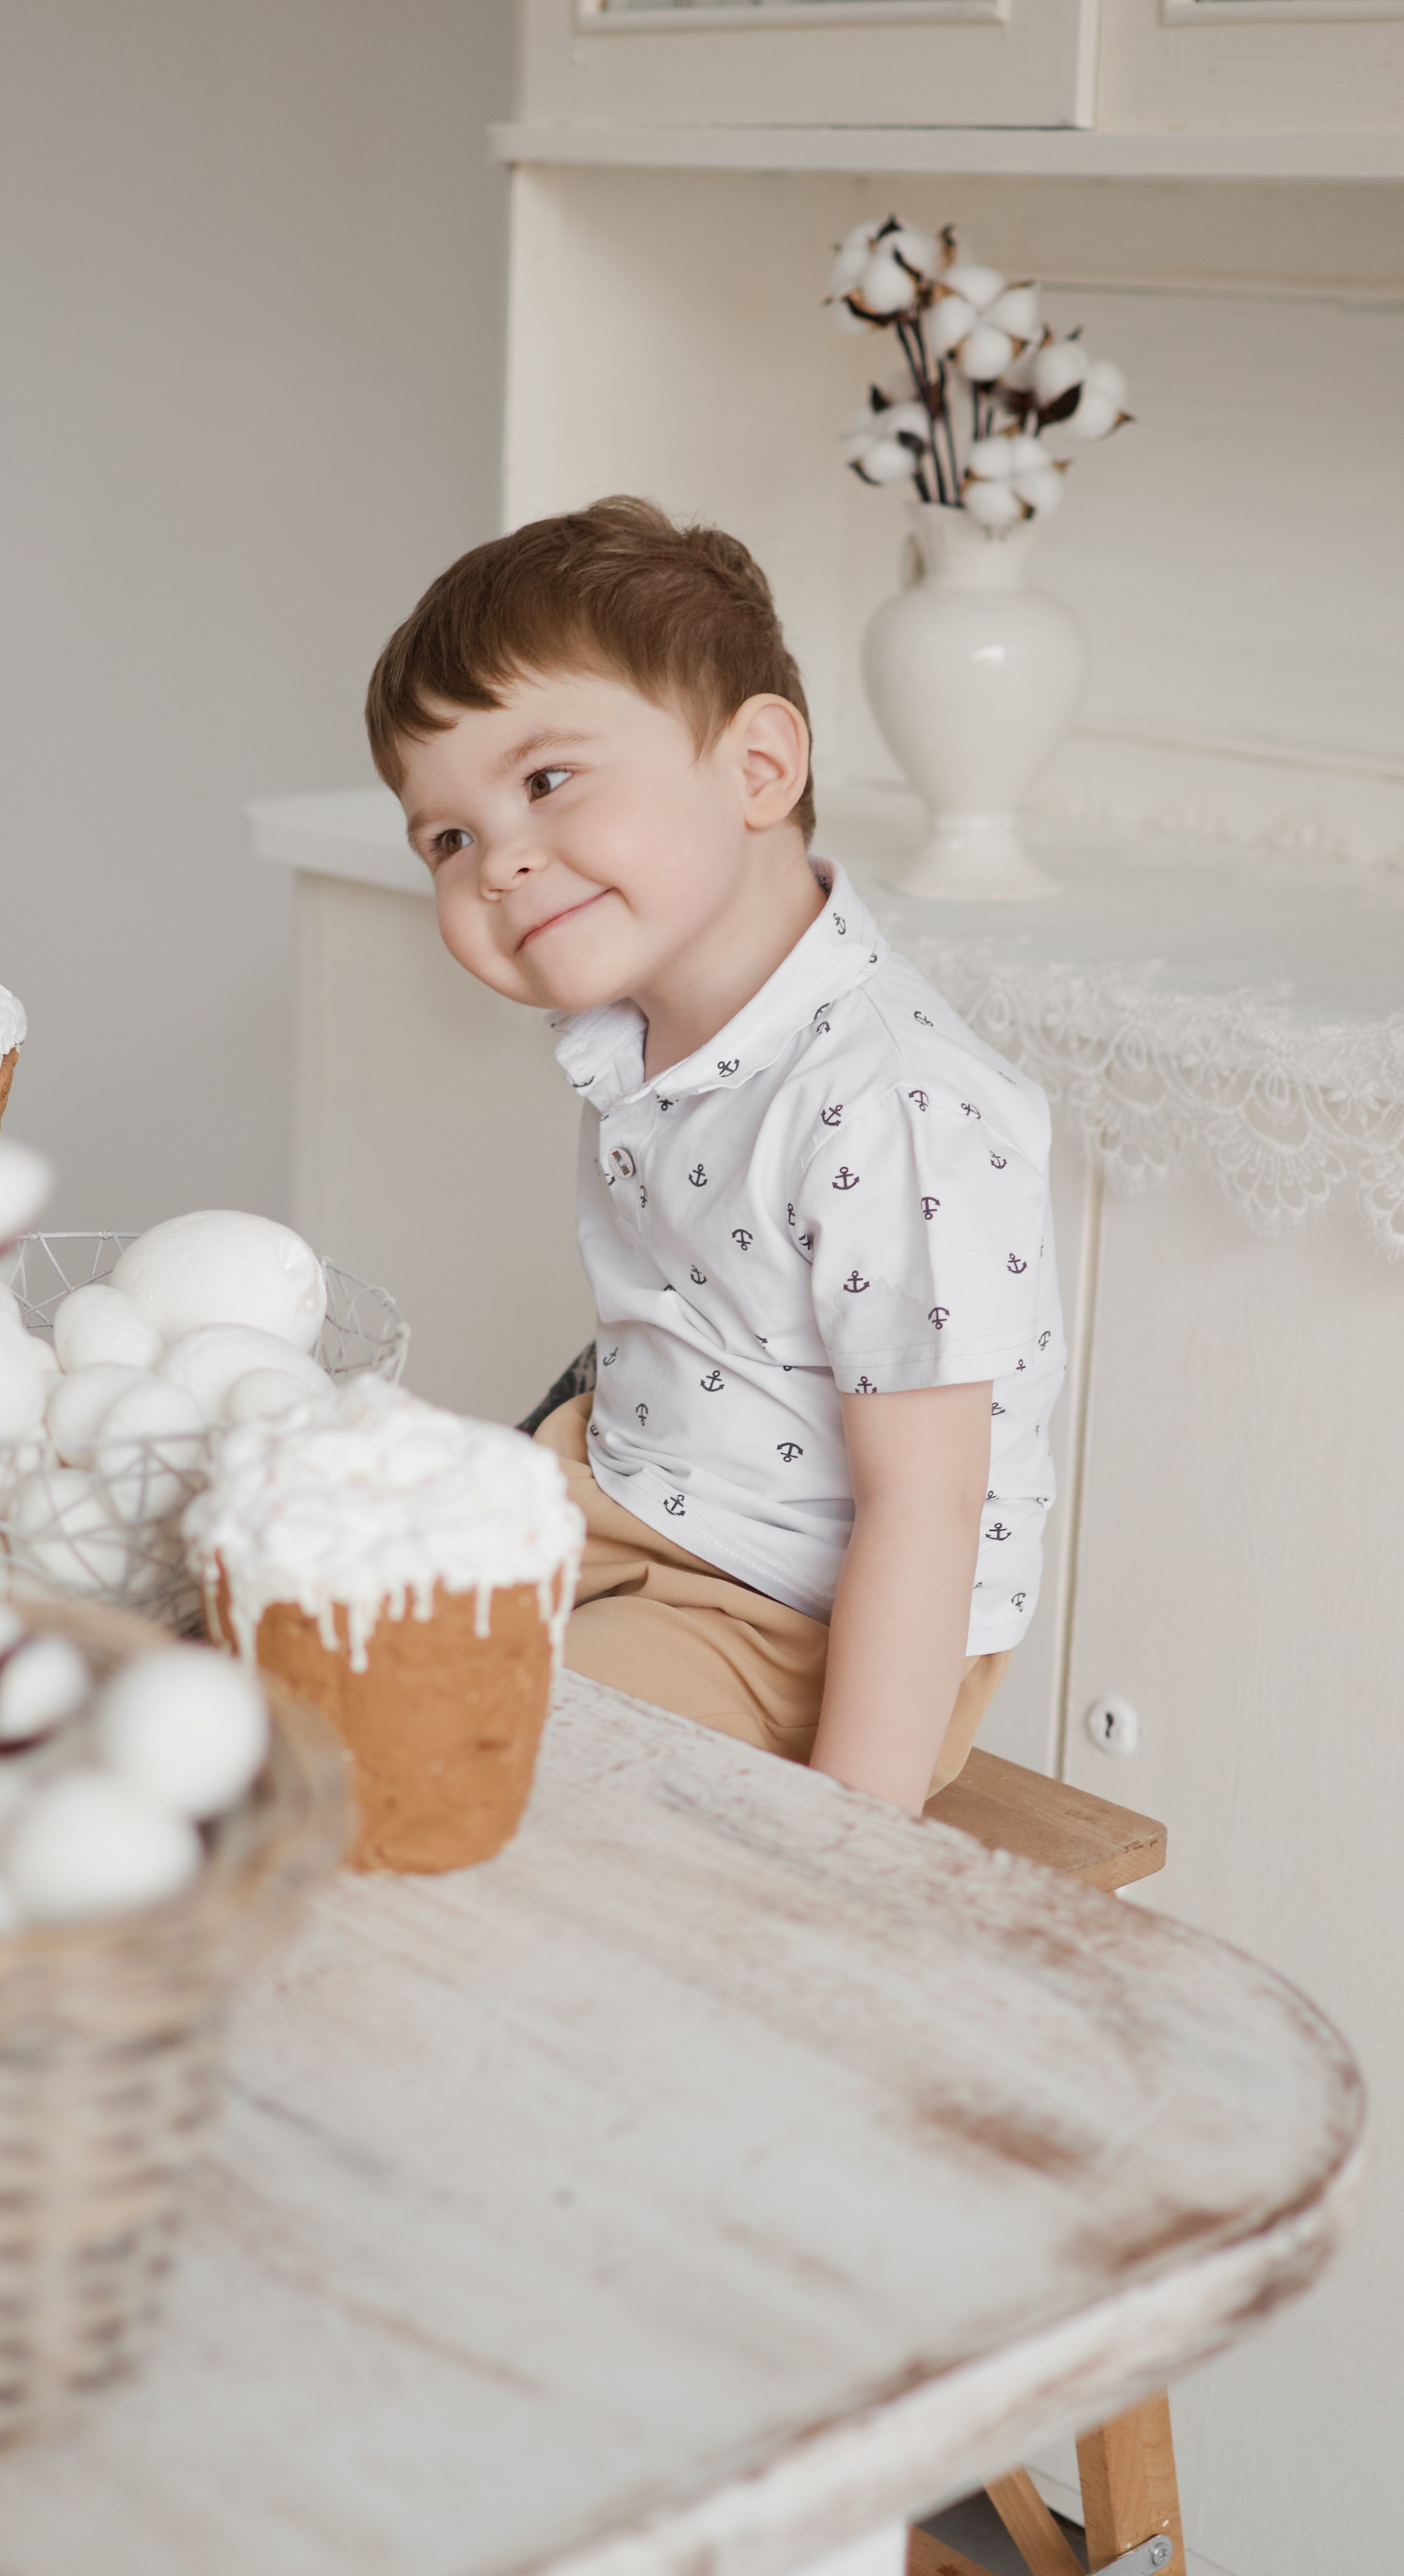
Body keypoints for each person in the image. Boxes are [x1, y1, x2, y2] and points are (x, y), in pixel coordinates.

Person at [364, 496, 1063, 1816]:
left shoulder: (886, 1103)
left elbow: (929, 1499)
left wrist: (853, 1836)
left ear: (755, 771)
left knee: (464, 1746)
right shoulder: (643, 1030)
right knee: (299, 1601)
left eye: (545, 780)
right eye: (445, 838)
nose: (497, 863)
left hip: (793, 1610)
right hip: (635, 1501)